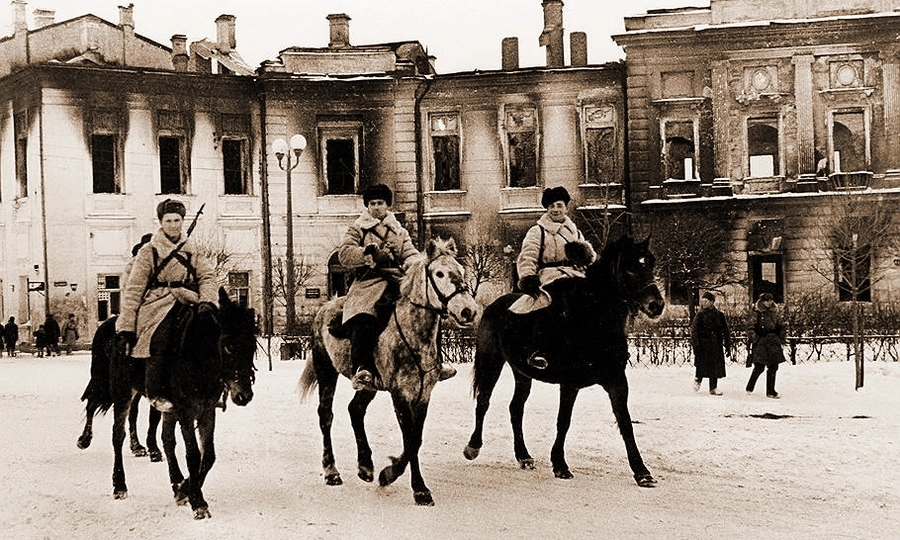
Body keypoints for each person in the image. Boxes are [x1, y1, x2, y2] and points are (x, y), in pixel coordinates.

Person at [337, 183, 456, 391]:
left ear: (387, 205)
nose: (376, 207)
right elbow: (344, 253)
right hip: (368, 283)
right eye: (372, 203)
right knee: (362, 317)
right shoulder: (357, 228)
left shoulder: (398, 231)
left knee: (428, 313)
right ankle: (361, 369)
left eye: (380, 203)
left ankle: (435, 362)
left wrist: (414, 264)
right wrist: (366, 253)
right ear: (367, 206)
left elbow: (409, 254)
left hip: (396, 281)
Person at [116, 199, 217, 412]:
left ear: (182, 221)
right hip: (156, 305)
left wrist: (207, 301)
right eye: (168, 220)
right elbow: (133, 289)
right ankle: (156, 392)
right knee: (159, 339)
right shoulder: (148, 251)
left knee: (209, 334)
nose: (173, 225)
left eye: (177, 220)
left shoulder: (191, 250)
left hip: (188, 300)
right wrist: (126, 326)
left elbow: (207, 276)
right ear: (161, 222)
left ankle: (211, 387)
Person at [512, 186, 596, 369]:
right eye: (551, 206)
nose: (556, 209)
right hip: (549, 276)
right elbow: (528, 256)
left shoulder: (575, 232)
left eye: (559, 205)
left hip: (575, 275)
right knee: (555, 301)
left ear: (566, 207)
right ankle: (538, 348)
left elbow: (587, 258)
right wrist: (528, 276)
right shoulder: (538, 231)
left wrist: (585, 263)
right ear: (547, 209)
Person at [746, 292, 786, 399]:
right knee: (759, 367)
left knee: (773, 367)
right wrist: (755, 338)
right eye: (767, 300)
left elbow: (781, 325)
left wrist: (781, 337)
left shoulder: (775, 312)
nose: (769, 302)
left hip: (773, 342)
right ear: (762, 301)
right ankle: (750, 386)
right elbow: (750, 327)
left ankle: (770, 391)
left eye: (771, 300)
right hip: (761, 343)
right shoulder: (757, 312)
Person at [690, 292, 732, 395]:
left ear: (712, 302)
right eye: (702, 301)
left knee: (715, 366)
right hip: (703, 344)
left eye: (706, 301)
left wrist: (727, 345)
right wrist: (696, 344)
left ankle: (713, 387)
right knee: (701, 364)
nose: (704, 303)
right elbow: (694, 331)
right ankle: (698, 379)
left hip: (716, 344)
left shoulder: (719, 315)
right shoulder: (700, 315)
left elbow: (725, 330)